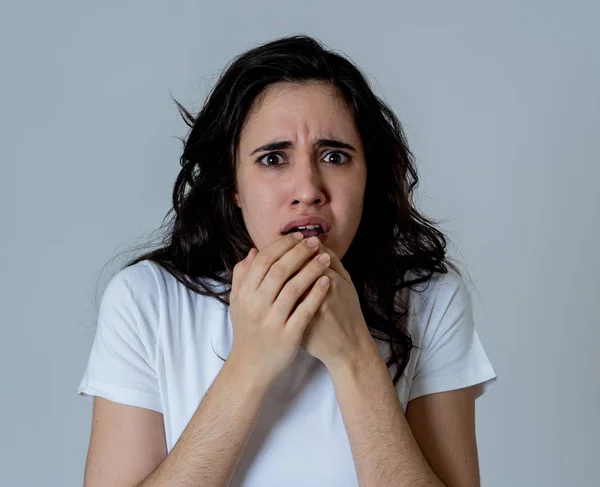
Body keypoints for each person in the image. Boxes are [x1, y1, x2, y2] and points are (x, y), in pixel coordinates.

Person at [77, 34, 496, 487]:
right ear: (233, 184)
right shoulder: (146, 301)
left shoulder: (431, 298)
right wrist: (250, 363)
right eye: (273, 158)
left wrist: (354, 355)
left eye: (334, 156)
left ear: (368, 176)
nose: (308, 189)